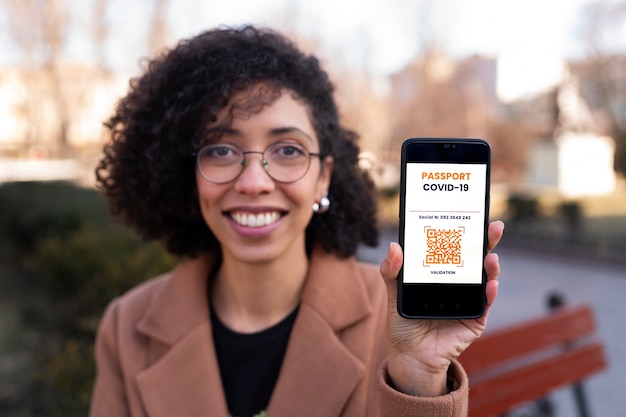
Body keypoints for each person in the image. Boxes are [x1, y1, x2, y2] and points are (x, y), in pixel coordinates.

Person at [90, 25, 504, 417]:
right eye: (220, 150)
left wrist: (420, 381)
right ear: (189, 175)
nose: (254, 182)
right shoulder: (126, 327)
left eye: (288, 150)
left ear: (323, 176)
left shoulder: (398, 318)